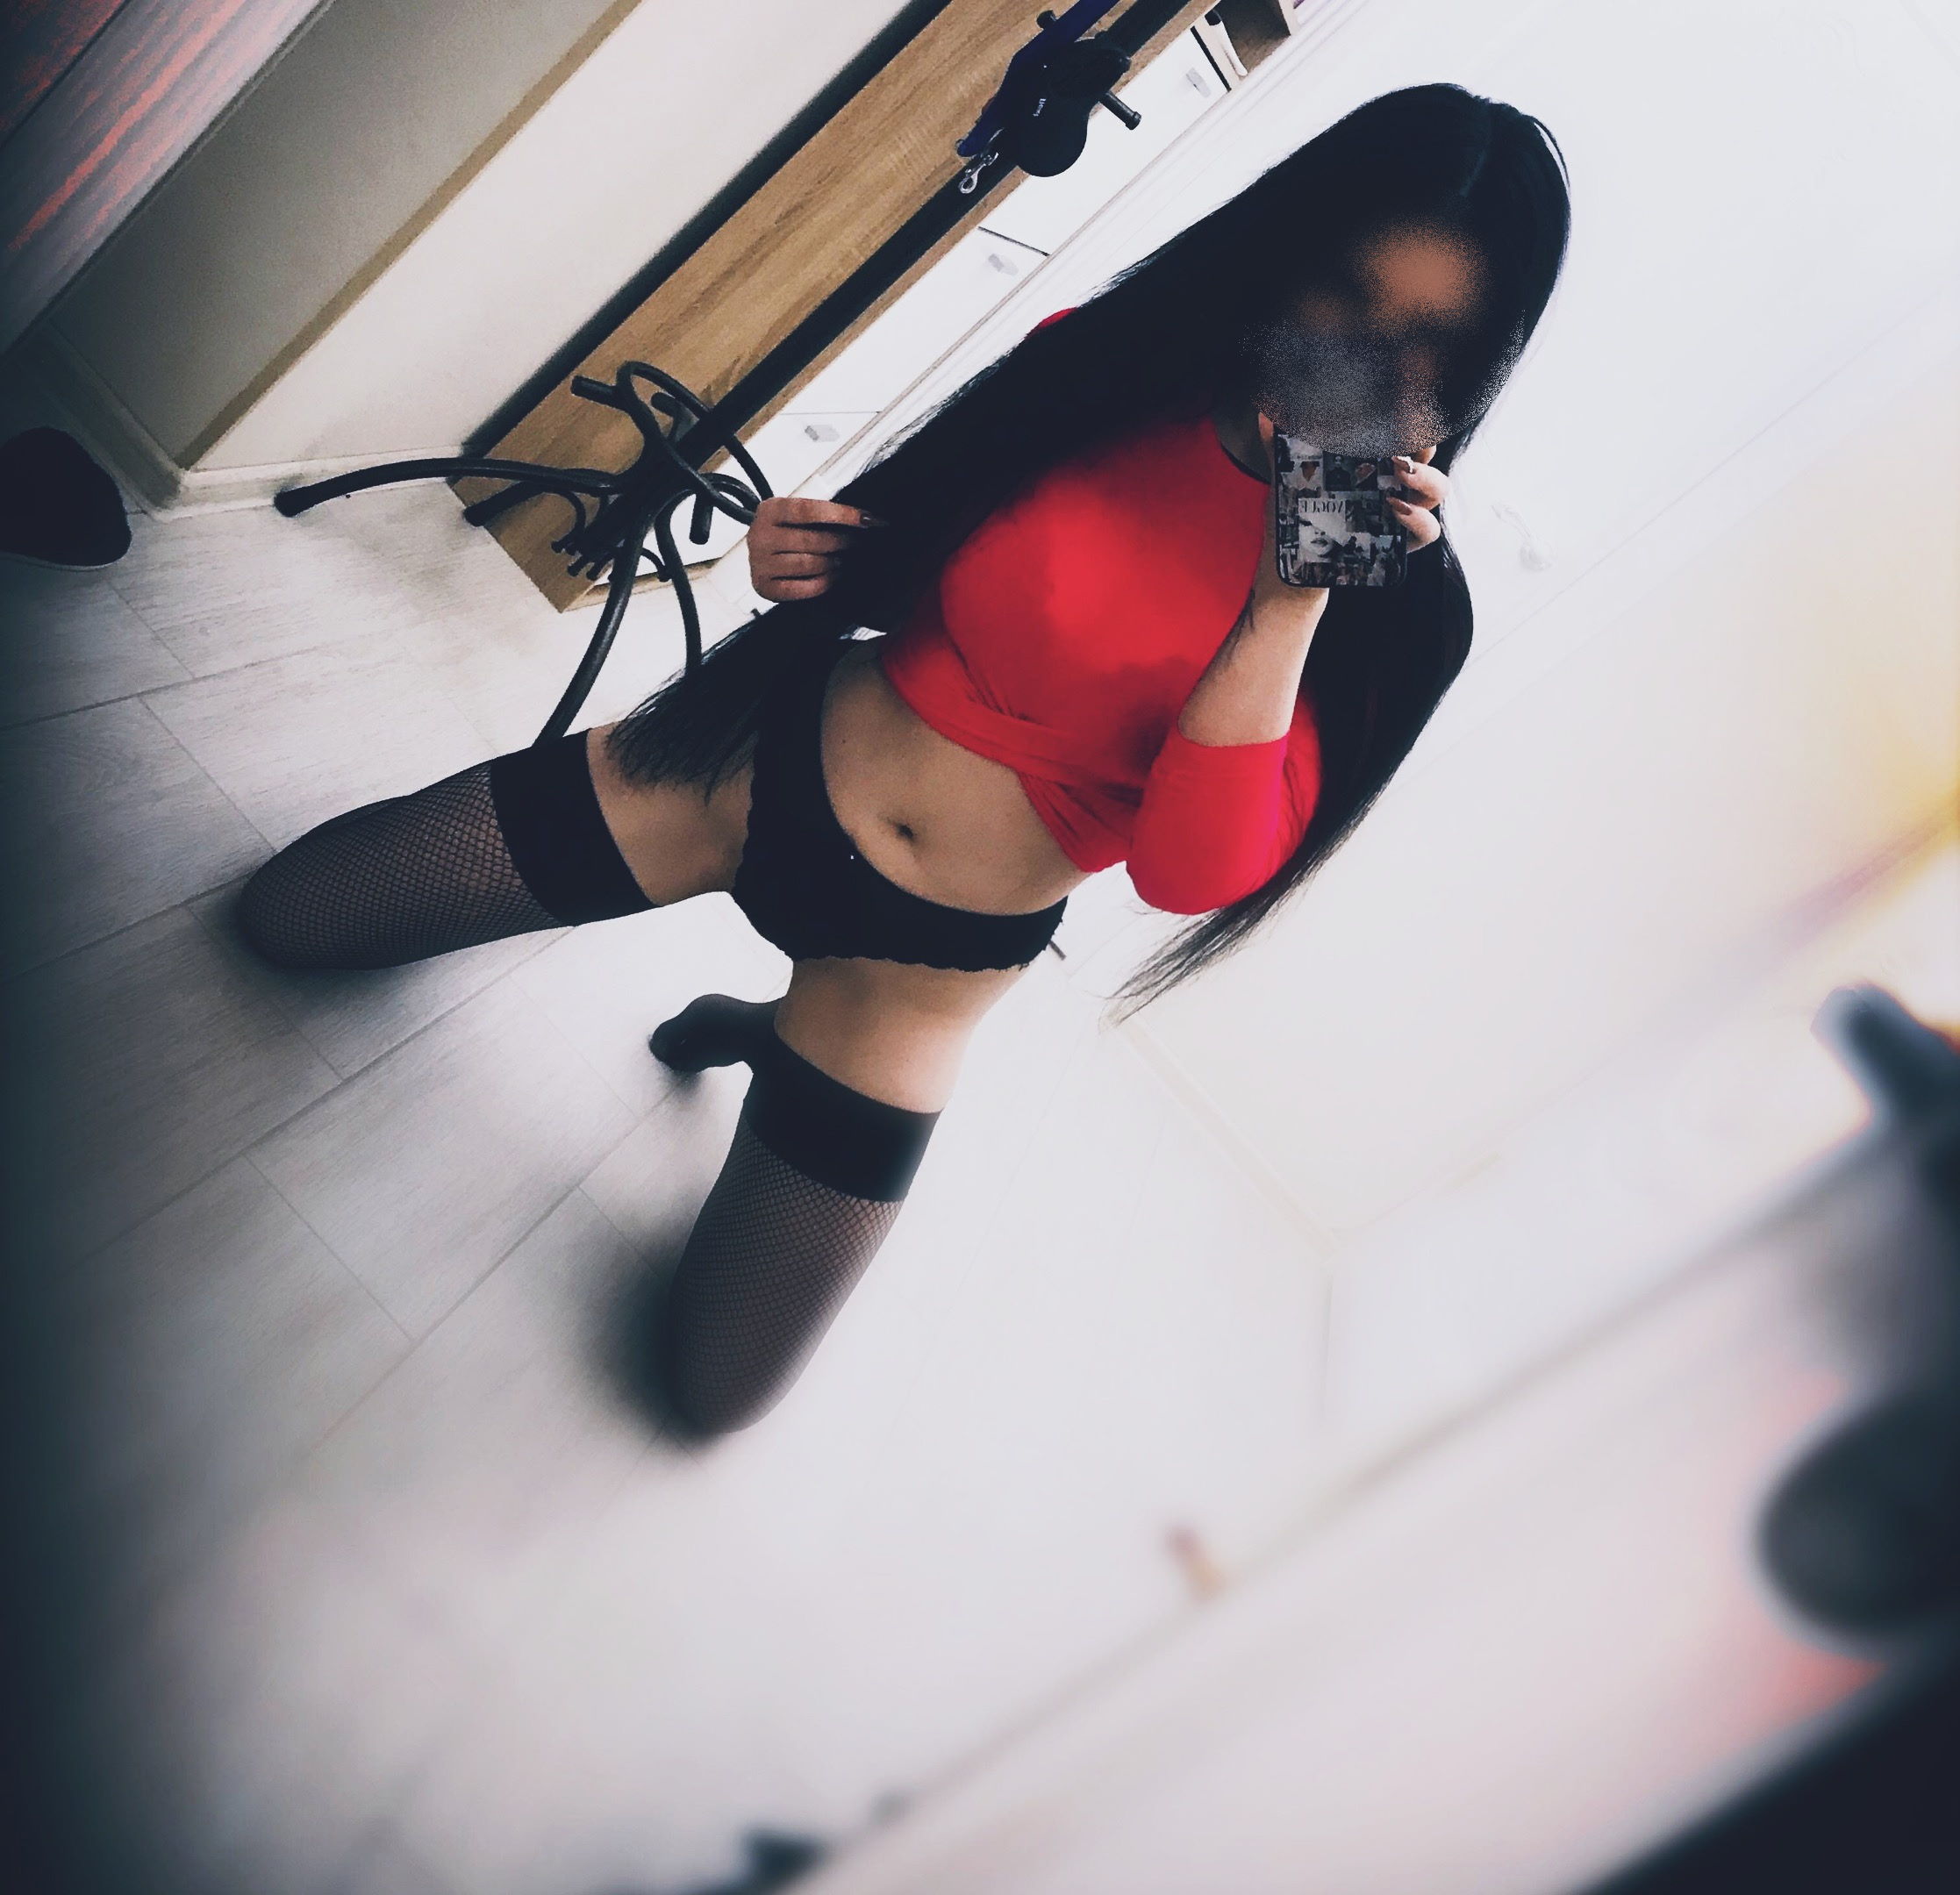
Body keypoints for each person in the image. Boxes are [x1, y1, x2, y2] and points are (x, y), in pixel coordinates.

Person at [232, 82, 1571, 1438]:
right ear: (1280, 257)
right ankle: (757, 1017)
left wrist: (1290, 599)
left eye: (1431, 342)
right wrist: (797, 556)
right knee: (292, 918)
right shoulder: (1105, 366)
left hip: (910, 980)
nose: (1367, 362)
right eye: (1344, 294)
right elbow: (900, 561)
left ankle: (769, 1035)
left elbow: (1185, 875)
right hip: (737, 772)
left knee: (711, 1390)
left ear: (1476, 370)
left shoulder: (1400, 619)